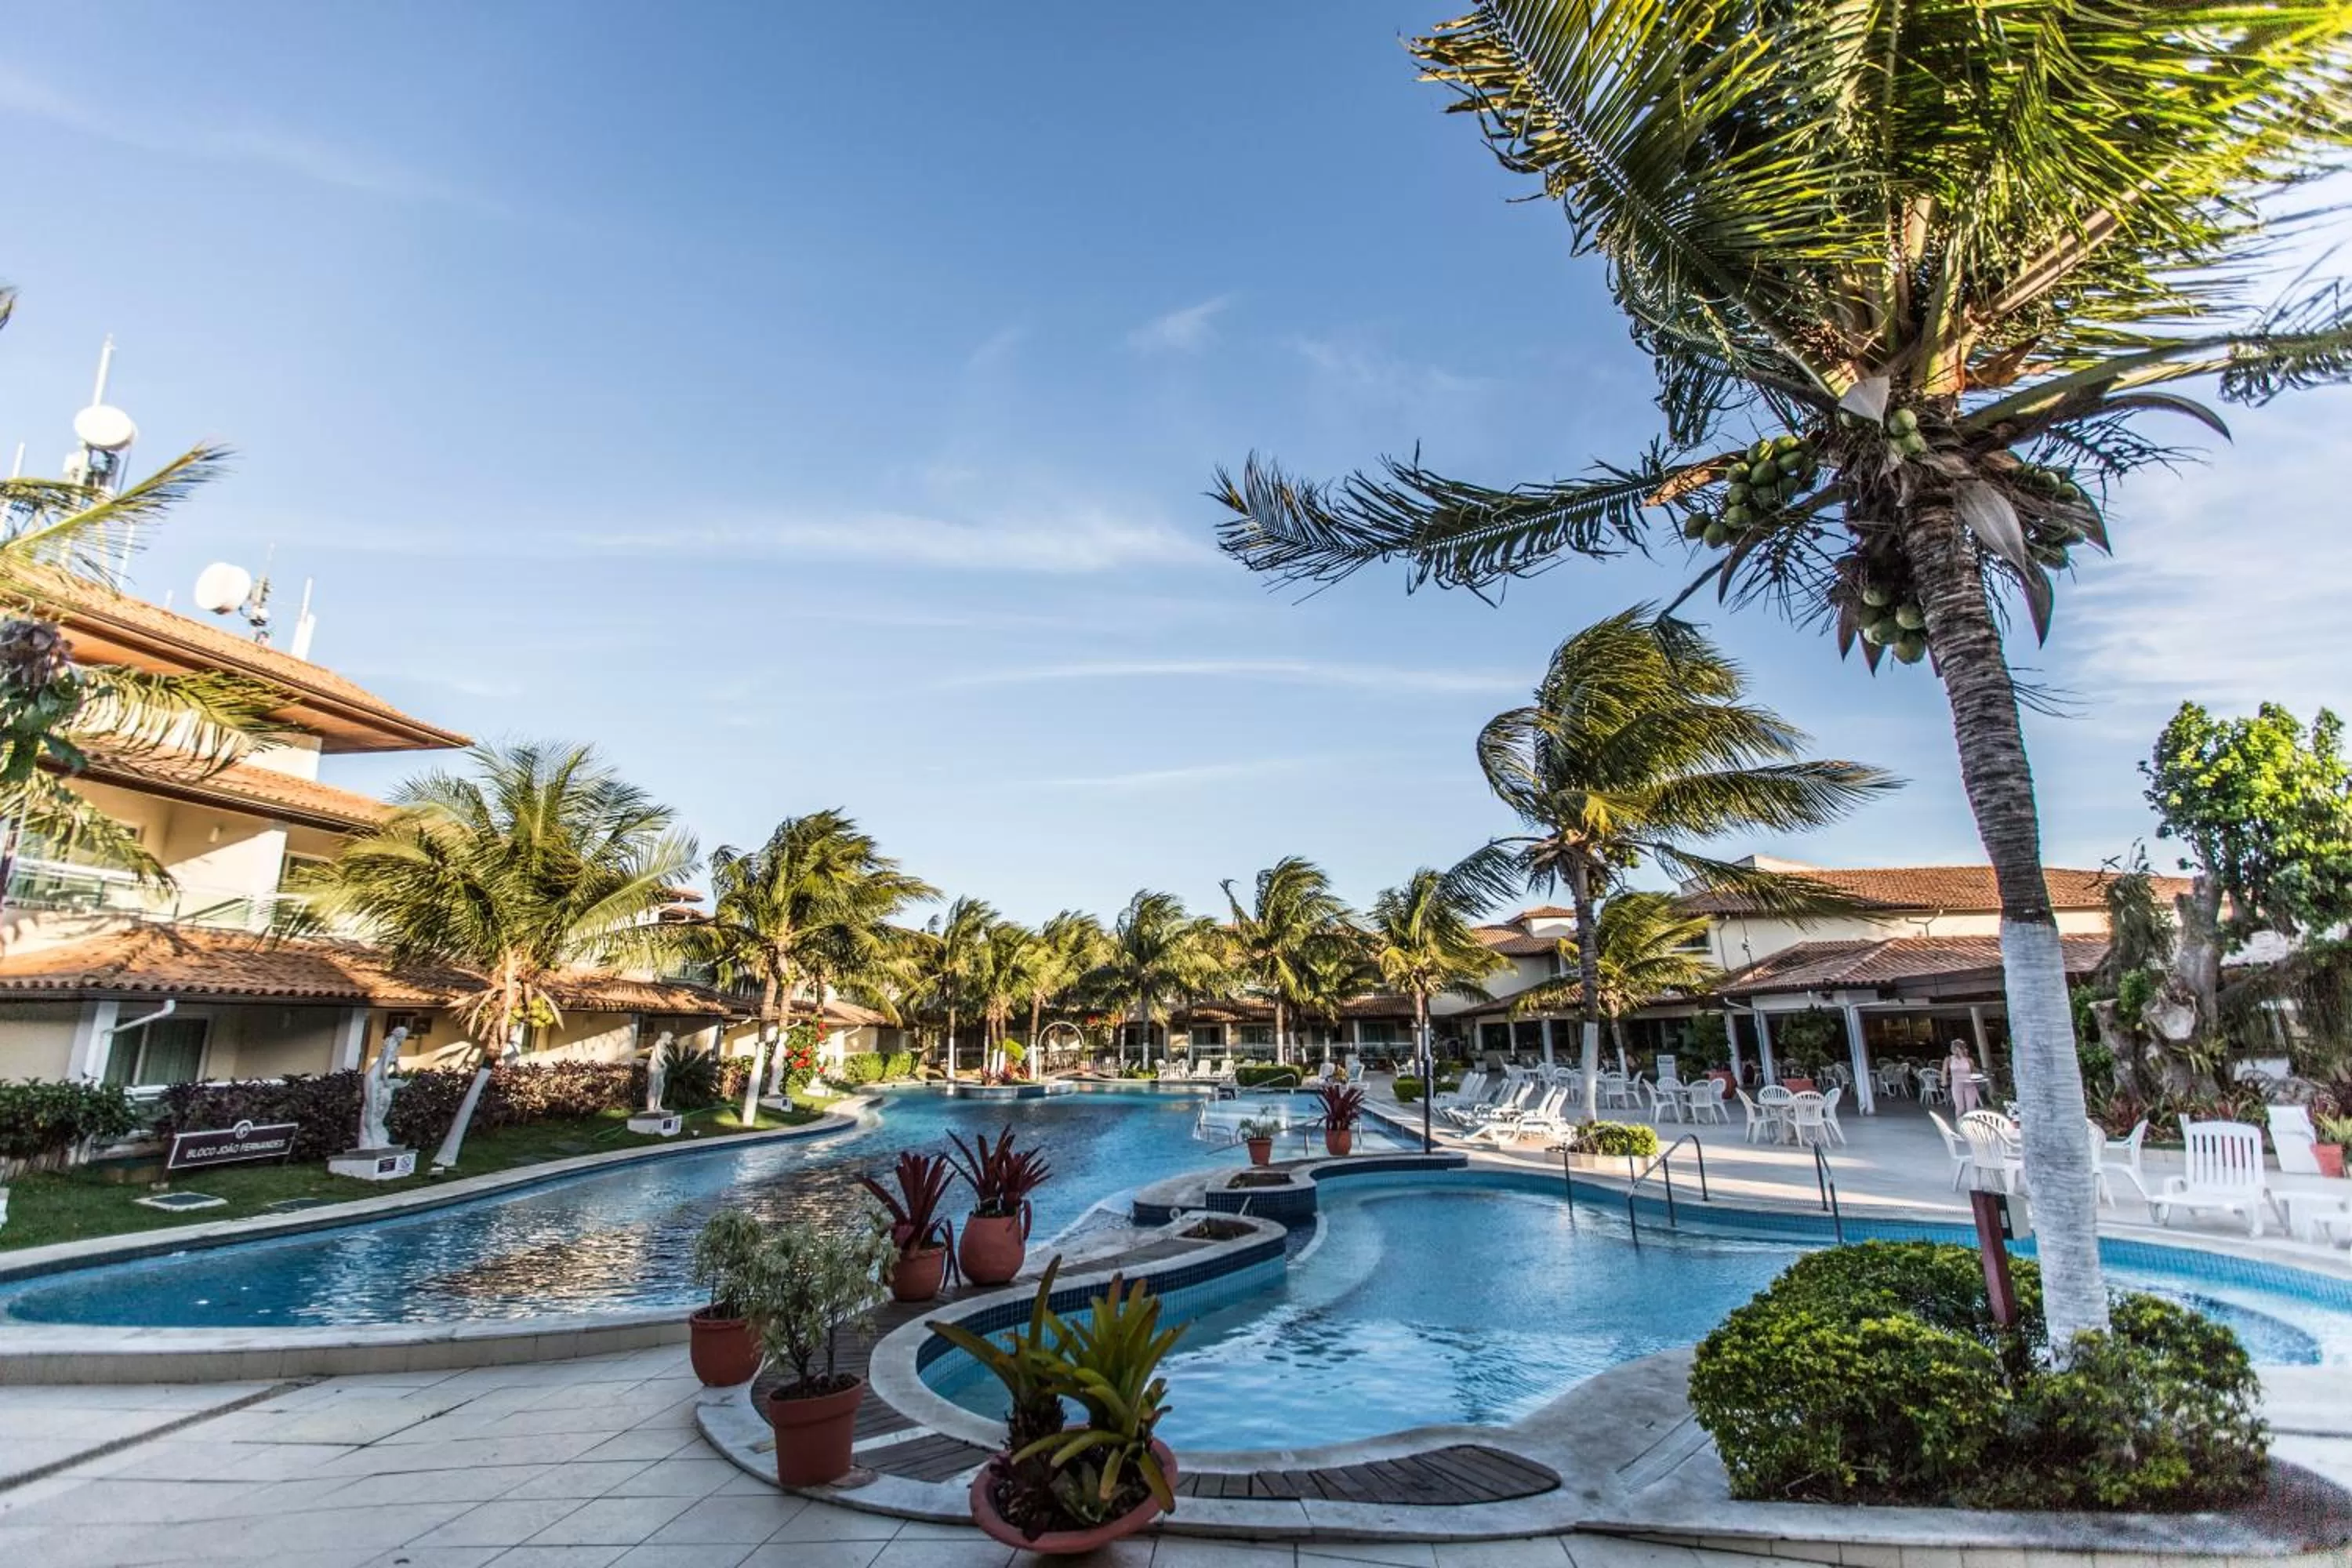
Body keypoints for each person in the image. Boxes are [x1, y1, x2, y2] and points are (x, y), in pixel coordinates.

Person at [1944, 1040, 1980, 1113]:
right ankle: (1959, 1120)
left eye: (1960, 1048)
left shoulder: (1969, 1060)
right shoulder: (1949, 1059)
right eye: (1954, 1048)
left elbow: (1973, 1072)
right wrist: (1944, 1080)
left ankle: (1970, 1121)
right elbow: (1944, 1071)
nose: (1957, 1051)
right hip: (1956, 1085)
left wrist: (1979, 1074)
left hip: (1969, 1085)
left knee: (1971, 1108)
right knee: (1960, 1108)